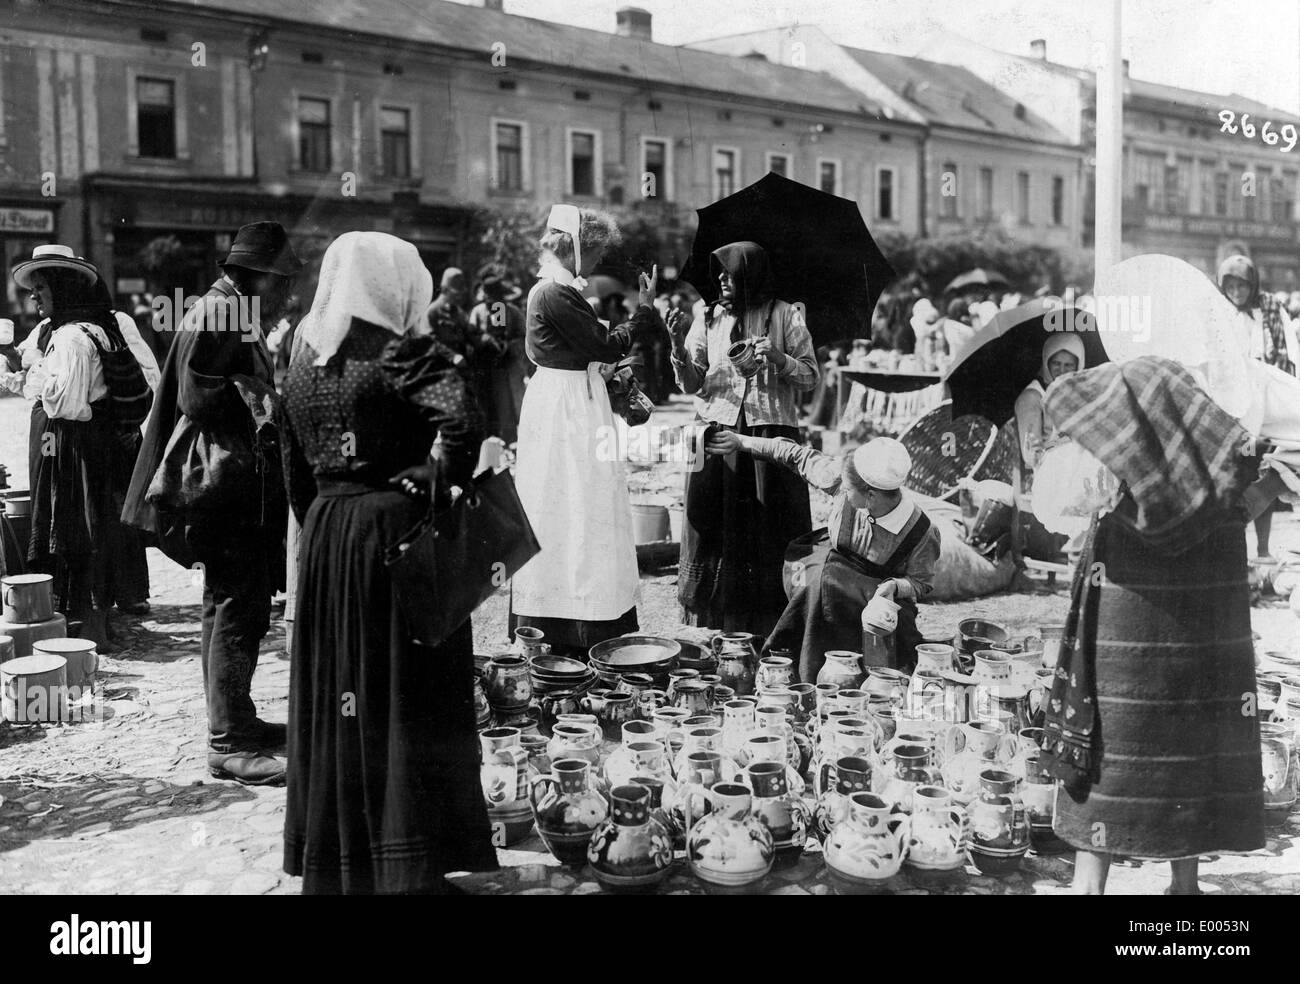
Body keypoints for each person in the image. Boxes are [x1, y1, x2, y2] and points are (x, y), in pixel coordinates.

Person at [1039, 254, 1300, 895]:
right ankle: (1183, 888)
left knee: (1113, 733)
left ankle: (1091, 884)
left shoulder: (1122, 387)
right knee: (1191, 727)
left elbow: (1062, 480)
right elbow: (1257, 480)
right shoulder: (1228, 406)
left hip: (1127, 591)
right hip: (1204, 596)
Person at [279, 231, 493, 895]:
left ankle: (347, 868)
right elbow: (464, 424)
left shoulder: (302, 352)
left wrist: (326, 518)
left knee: (343, 699)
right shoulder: (399, 347)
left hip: (327, 534)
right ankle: (411, 867)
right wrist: (426, 484)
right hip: (393, 539)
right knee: (406, 697)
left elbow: (291, 462)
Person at [123, 221, 301, 786]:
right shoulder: (221, 311)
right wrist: (267, 396)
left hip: (227, 486)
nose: (284, 292)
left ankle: (238, 720)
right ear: (258, 273)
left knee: (230, 602)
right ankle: (227, 743)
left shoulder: (229, 308)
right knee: (234, 604)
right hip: (219, 489)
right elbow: (196, 396)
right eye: (280, 280)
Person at [509, 204, 672, 657]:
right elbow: (602, 344)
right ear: (575, 248)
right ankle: (569, 619)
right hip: (565, 408)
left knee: (580, 503)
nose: (598, 261)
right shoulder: (552, 294)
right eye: (596, 251)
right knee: (572, 502)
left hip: (572, 400)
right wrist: (642, 314)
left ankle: (582, 612)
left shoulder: (557, 291)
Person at [670, 241, 818, 637]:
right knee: (716, 528)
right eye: (718, 273)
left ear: (749, 274)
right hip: (718, 433)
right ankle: (720, 620)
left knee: (766, 527)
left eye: (729, 273)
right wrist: (676, 350)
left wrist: (779, 358)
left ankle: (770, 622)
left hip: (769, 435)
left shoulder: (785, 315)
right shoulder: (708, 318)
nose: (721, 280)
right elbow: (692, 382)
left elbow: (809, 378)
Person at [707, 432, 940, 679]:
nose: (843, 492)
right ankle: (801, 668)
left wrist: (895, 586)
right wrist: (741, 442)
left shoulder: (921, 530)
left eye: (849, 490)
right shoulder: (841, 480)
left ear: (871, 496)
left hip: (877, 590)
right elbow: (796, 455)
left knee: (889, 647)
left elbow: (921, 583)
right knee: (819, 580)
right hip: (828, 566)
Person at [8, 246, 134, 648]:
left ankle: (91, 625)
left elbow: (65, 403)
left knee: (77, 528)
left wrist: (35, 377)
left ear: (61, 290)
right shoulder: (96, 329)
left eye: (41, 287)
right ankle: (91, 618)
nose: (33, 296)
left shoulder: (71, 338)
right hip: (93, 441)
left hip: (77, 443)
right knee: (92, 525)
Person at [1218, 255, 1297, 559]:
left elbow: (1291, 350)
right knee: (1237, 476)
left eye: (1243, 284)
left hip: (1267, 403)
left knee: (1266, 470)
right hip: (1234, 405)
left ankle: (1263, 554)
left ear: (1253, 285)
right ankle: (1233, 554)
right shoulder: (1218, 313)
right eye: (1231, 284)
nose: (1237, 290)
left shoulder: (1271, 309)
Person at [1013, 333, 1085, 482]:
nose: (1062, 370)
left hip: (1076, 475)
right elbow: (1032, 456)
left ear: (1078, 366)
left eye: (1069, 365)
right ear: (1046, 363)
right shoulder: (1032, 397)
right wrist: (1067, 439)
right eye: (1056, 363)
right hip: (1048, 480)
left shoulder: (1075, 391)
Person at [467, 271, 528, 445]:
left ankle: (508, 447)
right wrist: (484, 340)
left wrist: (509, 346)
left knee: (505, 407)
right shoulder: (478, 312)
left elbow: (524, 336)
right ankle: (487, 451)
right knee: (485, 408)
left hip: (505, 368)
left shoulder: (512, 312)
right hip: (483, 368)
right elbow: (471, 334)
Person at [426, 267, 474, 360]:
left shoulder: (460, 313)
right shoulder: (433, 311)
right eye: (456, 293)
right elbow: (428, 341)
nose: (460, 297)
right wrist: (452, 356)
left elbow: (468, 334)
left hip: (461, 361)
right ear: (445, 290)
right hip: (438, 363)